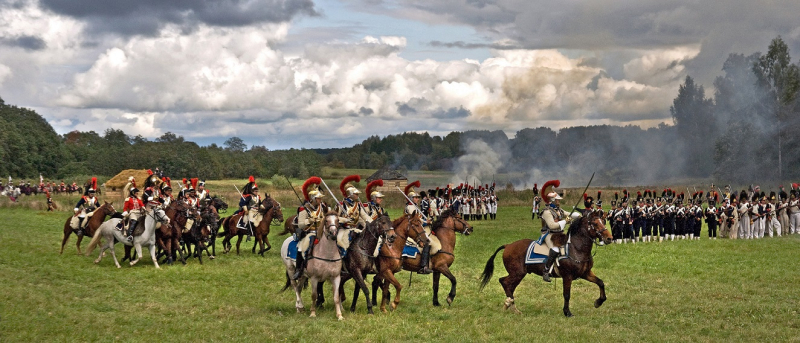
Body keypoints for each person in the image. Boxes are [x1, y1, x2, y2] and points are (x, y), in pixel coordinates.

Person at [539, 180, 579, 282]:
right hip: (548, 234)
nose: (559, 201)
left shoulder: (558, 210)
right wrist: (565, 222)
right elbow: (552, 226)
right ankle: (546, 271)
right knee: (555, 250)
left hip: (558, 234)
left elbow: (569, 213)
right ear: (552, 200)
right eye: (557, 200)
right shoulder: (546, 212)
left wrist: (579, 216)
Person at [293, 176, 329, 280]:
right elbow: (300, 224)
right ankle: (299, 269)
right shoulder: (304, 209)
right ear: (313, 198)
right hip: (309, 232)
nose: (320, 199)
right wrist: (310, 221)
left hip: (322, 232)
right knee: (301, 248)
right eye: (318, 198)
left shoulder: (323, 207)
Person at [404, 180, 433, 274]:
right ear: (411, 198)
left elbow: (420, 219)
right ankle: (423, 266)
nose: (417, 199)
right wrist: (425, 222)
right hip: (412, 229)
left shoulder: (415, 207)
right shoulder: (410, 207)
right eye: (415, 198)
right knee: (426, 242)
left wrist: (427, 221)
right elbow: (417, 221)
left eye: (417, 198)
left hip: (417, 227)